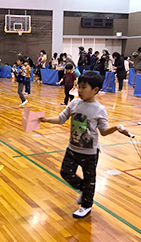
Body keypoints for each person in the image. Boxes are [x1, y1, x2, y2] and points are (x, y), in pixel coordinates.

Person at [39, 72, 131, 218]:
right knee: (65, 172)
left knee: (90, 179)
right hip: (72, 149)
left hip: (90, 153)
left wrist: (116, 128)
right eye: (78, 87)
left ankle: (86, 205)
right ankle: (86, 190)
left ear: (95, 90)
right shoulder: (74, 103)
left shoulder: (100, 109)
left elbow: (104, 132)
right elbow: (61, 119)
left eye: (83, 87)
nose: (80, 90)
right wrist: (46, 120)